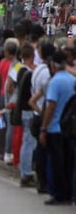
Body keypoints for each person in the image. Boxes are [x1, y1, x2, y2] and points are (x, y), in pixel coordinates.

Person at [38, 50, 75, 205]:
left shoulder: (55, 82)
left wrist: (43, 128)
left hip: (55, 127)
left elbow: (51, 106)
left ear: (53, 65)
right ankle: (68, 193)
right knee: (69, 163)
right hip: (70, 127)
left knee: (56, 163)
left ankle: (59, 194)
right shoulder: (72, 80)